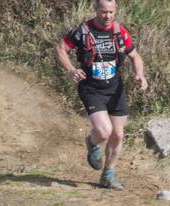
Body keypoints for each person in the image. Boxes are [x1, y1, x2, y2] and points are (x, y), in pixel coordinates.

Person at [55, 0, 147, 190]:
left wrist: (140, 74)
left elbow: (135, 55)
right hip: (91, 88)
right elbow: (60, 48)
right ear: (96, 9)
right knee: (104, 131)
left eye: (111, 12)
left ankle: (108, 174)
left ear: (116, 10)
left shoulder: (120, 32)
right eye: (104, 12)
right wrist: (71, 69)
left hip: (115, 88)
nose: (108, 16)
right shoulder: (82, 31)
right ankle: (91, 142)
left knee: (118, 134)